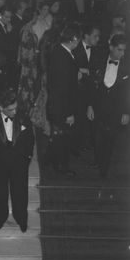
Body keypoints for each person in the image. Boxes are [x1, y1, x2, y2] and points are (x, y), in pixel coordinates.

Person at [0, 90, 34, 232]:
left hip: (19, 163)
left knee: (20, 192)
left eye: (16, 108)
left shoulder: (23, 116)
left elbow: (30, 140)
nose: (15, 112)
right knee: (0, 193)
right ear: (1, 108)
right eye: (11, 110)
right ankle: (1, 218)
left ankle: (21, 219)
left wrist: (27, 158)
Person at [87, 34, 130, 177]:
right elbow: (91, 87)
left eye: (124, 50)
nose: (122, 54)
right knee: (97, 138)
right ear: (111, 47)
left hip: (115, 111)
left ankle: (103, 170)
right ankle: (100, 160)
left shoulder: (128, 67)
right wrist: (90, 105)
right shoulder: (98, 61)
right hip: (98, 109)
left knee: (110, 140)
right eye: (119, 50)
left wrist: (126, 112)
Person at [46, 23, 81, 177]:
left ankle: (56, 162)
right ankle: (61, 167)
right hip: (62, 106)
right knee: (62, 137)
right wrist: (69, 113)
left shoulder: (59, 51)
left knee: (59, 136)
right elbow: (63, 89)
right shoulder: (62, 56)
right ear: (73, 39)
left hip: (57, 104)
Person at [72, 23, 101, 153]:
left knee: (87, 119)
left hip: (90, 91)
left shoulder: (97, 50)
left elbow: (98, 71)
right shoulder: (74, 49)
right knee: (77, 119)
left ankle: (83, 142)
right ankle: (75, 145)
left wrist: (89, 71)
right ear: (86, 36)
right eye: (95, 36)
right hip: (76, 91)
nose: (98, 39)